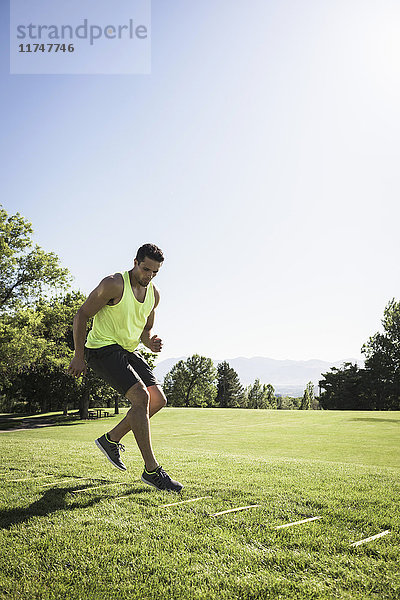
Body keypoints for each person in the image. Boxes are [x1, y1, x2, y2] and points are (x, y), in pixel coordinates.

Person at [68, 243, 182, 492]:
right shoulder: (113, 284)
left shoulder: (154, 294)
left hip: (128, 351)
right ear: (135, 262)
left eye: (155, 272)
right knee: (141, 397)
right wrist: (79, 356)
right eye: (145, 269)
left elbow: (145, 329)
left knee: (158, 400)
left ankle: (111, 440)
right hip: (101, 349)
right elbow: (81, 315)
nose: (149, 276)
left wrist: (150, 342)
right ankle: (152, 470)